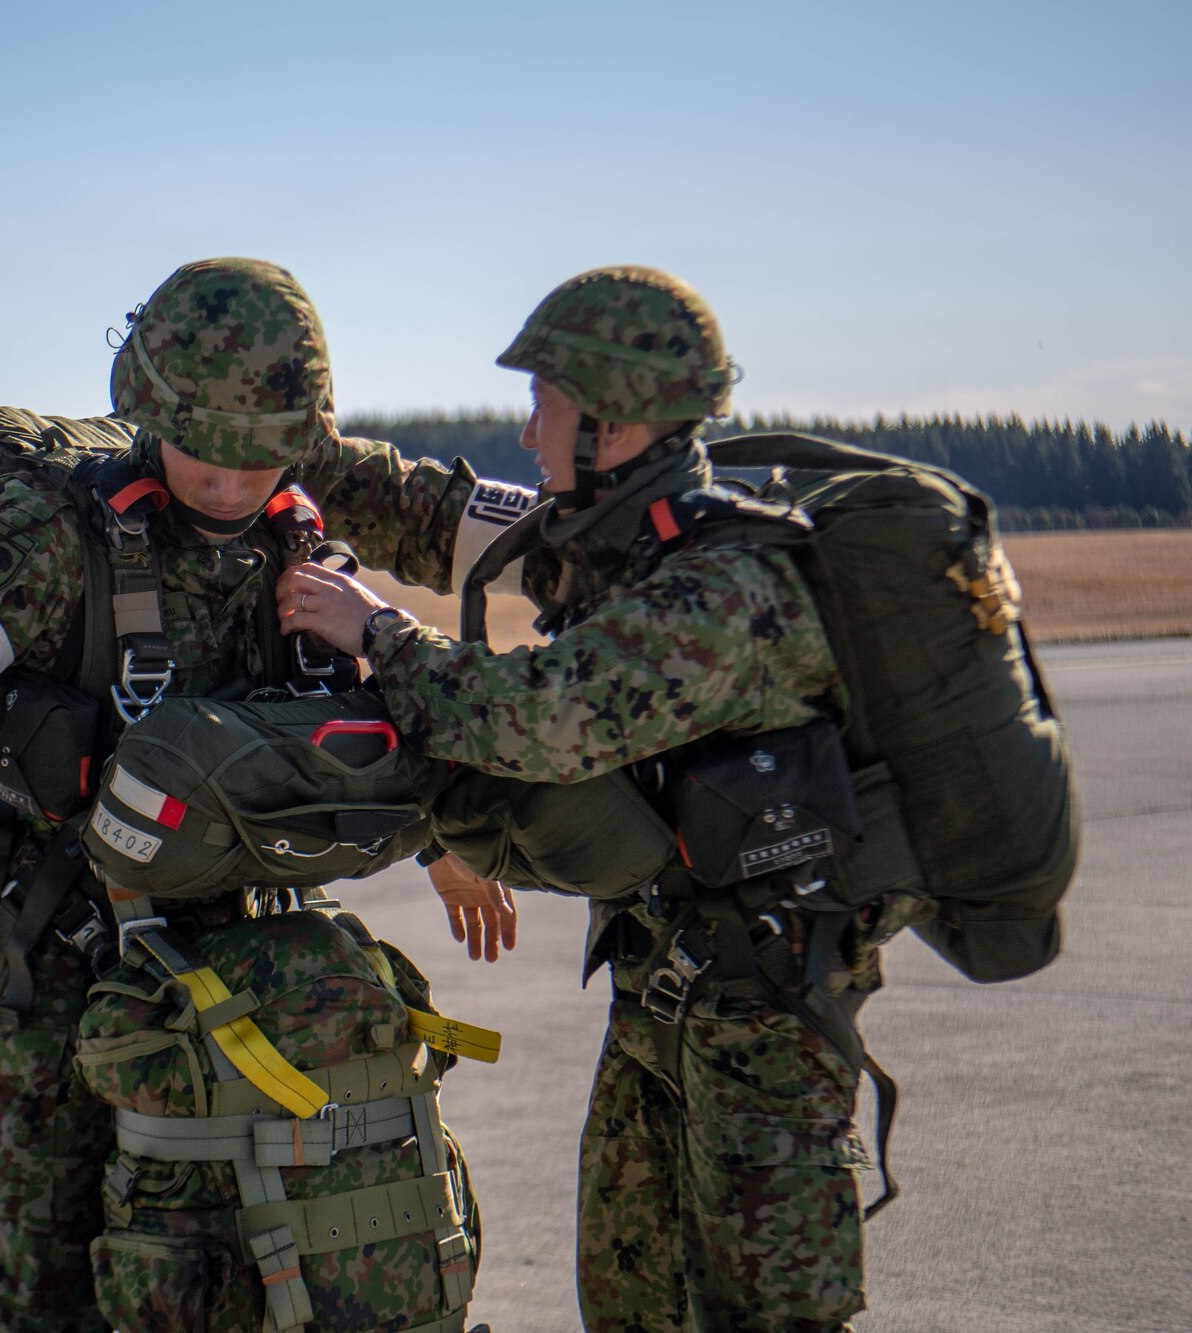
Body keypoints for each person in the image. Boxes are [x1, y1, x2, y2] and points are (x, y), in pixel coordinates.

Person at [0, 257, 537, 1332]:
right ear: (150, 411)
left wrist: (442, 826)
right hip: (70, 969)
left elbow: (482, 528)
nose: (226, 486)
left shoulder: (297, 491)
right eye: (203, 454)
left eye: (259, 460)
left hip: (254, 954)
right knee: (49, 1287)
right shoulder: (43, 535)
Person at [278, 266, 933, 1332]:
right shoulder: (621, 542)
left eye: (547, 400)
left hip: (763, 1028)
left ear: (614, 421)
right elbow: (437, 513)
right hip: (665, 999)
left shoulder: (718, 590)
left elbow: (534, 721)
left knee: (764, 1316)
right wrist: (265, 442)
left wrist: (376, 633)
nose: (528, 424)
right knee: (630, 1306)